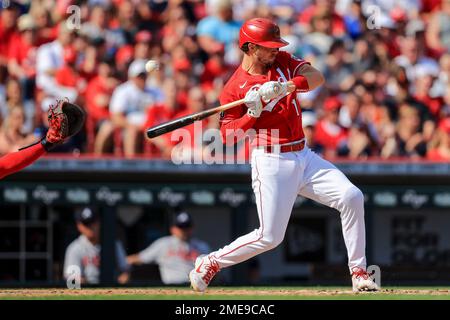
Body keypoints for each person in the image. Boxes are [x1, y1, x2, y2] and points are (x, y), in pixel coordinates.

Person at [189, 18, 378, 293]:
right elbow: (229, 135)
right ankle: (211, 262)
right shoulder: (234, 87)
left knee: (352, 197)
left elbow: (316, 77)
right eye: (268, 46)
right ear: (251, 48)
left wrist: (289, 86)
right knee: (269, 237)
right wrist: (252, 114)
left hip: (303, 153)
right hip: (271, 160)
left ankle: (359, 272)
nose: (275, 49)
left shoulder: (283, 61)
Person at [0, 99, 85, 180]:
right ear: (9, 118)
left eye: (22, 117)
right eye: (17, 117)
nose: (20, 120)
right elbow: (6, 161)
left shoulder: (27, 135)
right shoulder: (4, 136)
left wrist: (46, 143)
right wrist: (44, 143)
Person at [127, 211, 210, 285]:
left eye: (187, 227)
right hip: (172, 286)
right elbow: (140, 258)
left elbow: (213, 270)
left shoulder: (201, 246)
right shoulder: (164, 243)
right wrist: (123, 268)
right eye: (181, 227)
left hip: (196, 287)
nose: (184, 230)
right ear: (173, 229)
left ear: (192, 228)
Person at [63, 207, 130, 285]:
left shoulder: (113, 244)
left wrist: (122, 280)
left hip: (112, 289)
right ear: (79, 226)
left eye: (93, 223)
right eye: (86, 224)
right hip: (86, 292)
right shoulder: (74, 248)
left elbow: (126, 271)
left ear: (99, 223)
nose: (90, 227)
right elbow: (72, 280)